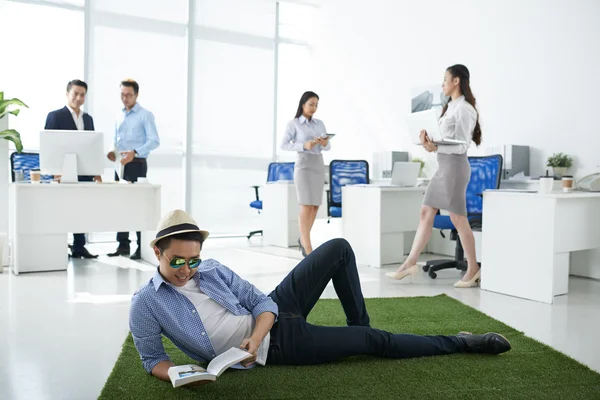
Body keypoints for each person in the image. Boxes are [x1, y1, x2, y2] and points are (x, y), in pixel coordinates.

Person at [130, 209, 511, 382]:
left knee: (339, 247)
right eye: (178, 260)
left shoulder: (211, 269)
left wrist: (257, 333)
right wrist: (180, 374)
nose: (186, 268)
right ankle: (461, 344)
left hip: (271, 321)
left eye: (193, 260)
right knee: (373, 342)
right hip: (278, 347)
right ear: (158, 252)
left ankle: (362, 331)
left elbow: (263, 302)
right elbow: (152, 358)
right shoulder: (146, 303)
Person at [386, 64, 482, 288]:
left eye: (445, 79)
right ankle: (410, 263)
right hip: (443, 168)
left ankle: (473, 269)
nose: (443, 84)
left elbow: (462, 146)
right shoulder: (449, 108)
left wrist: (435, 147)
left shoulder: (466, 109)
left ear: (456, 81)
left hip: (455, 169)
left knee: (458, 219)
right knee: (425, 212)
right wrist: (429, 144)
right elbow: (446, 142)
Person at [44, 79, 100, 259]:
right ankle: (59, 247)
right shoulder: (55, 116)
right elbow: (49, 145)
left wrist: (95, 170)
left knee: (82, 210)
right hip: (62, 173)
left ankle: (79, 247)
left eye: (82, 94)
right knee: (62, 209)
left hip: (83, 172)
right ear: (67, 94)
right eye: (75, 93)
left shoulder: (88, 119)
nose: (78, 97)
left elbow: (92, 146)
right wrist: (54, 171)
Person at [106, 79, 160, 260]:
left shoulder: (145, 115)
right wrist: (112, 152)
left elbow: (154, 141)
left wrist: (135, 153)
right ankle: (122, 245)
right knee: (119, 205)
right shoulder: (118, 115)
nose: (125, 98)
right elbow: (115, 139)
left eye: (129, 95)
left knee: (137, 206)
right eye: (122, 94)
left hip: (136, 164)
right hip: (120, 164)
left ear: (136, 95)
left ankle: (140, 247)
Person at [280, 91, 330, 257]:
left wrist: (324, 143)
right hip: (303, 164)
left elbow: (327, 147)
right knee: (306, 205)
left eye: (316, 105)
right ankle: (307, 245)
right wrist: (303, 145)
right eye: (311, 104)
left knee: (315, 206)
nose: (313, 108)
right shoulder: (293, 124)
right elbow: (285, 145)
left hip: (317, 163)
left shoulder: (319, 123)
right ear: (303, 104)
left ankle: (303, 239)